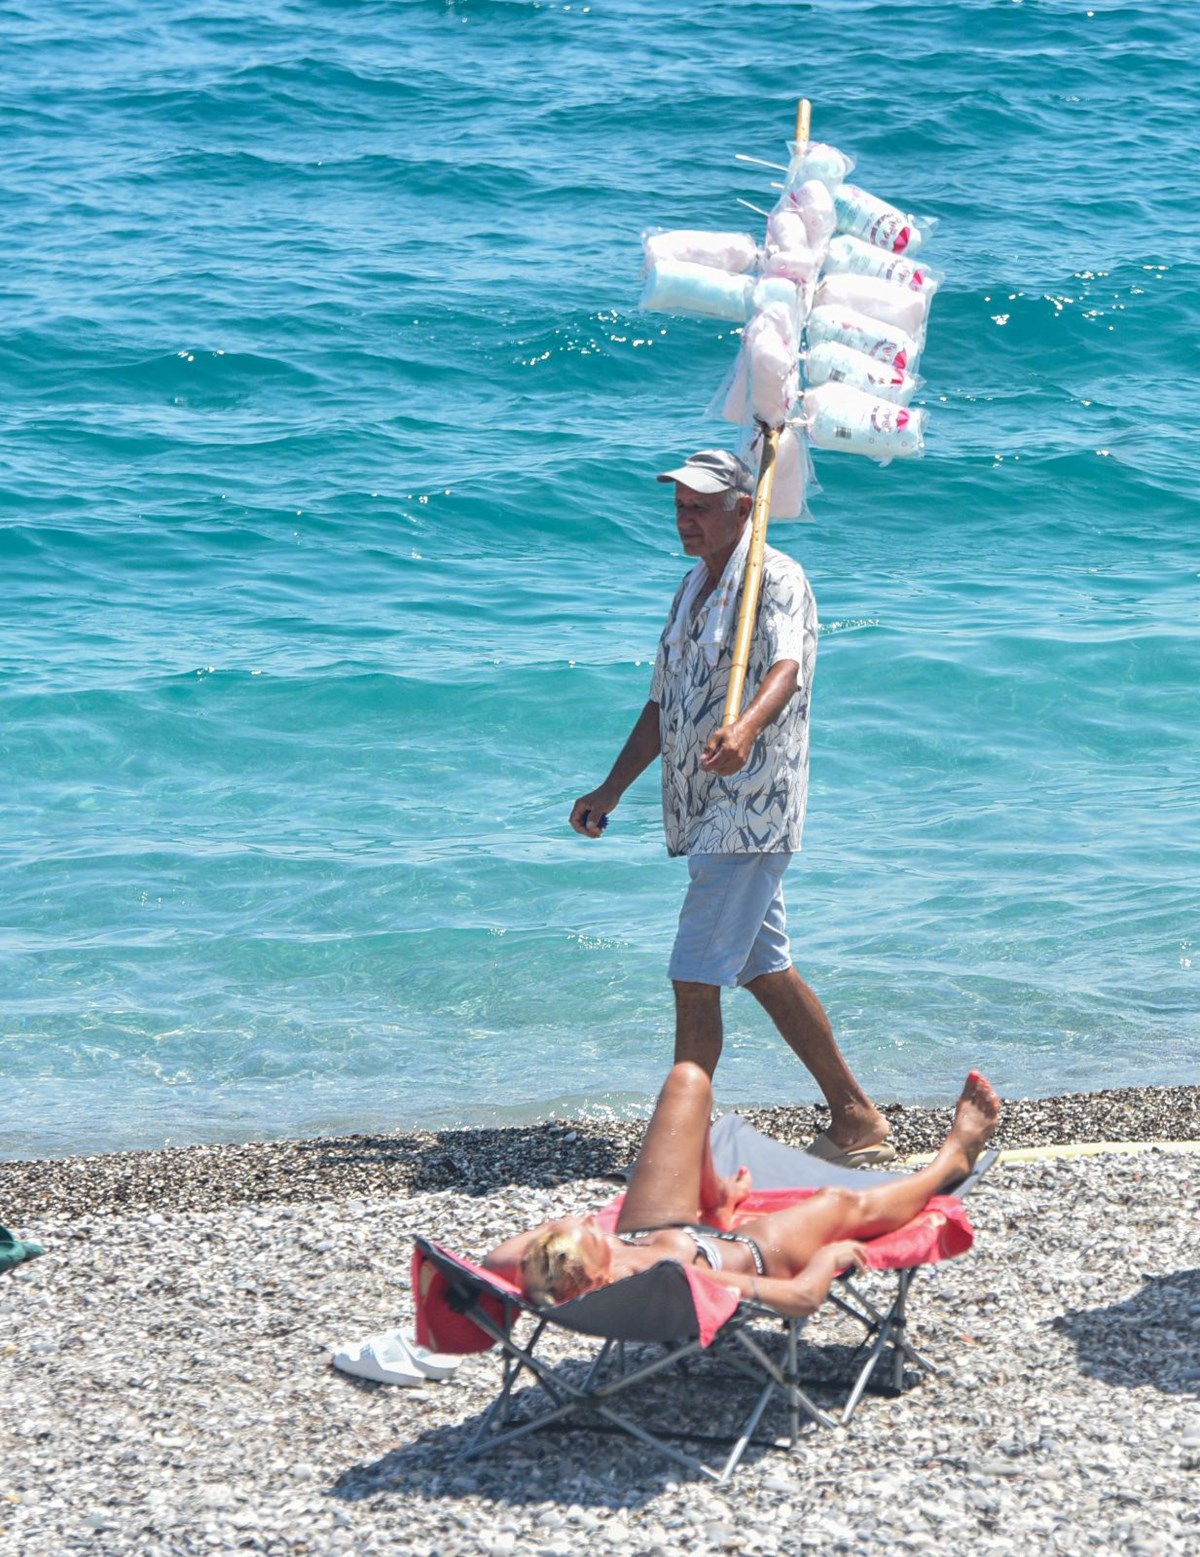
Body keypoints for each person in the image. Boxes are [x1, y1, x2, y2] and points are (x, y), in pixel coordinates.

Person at [569, 449, 891, 1165]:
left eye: (701, 507)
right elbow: (664, 703)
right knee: (762, 967)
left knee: (694, 972)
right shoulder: (691, 589)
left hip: (753, 804)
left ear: (746, 508)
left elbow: (786, 667)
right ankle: (856, 1117)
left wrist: (744, 729)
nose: (686, 520)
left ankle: (680, 1148)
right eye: (680, 507)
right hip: (700, 803)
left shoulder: (776, 578)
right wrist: (611, 787)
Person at [483, 1063, 1000, 1317]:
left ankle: (714, 1200)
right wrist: (831, 1257)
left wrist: (553, 1248)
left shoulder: (582, 1272)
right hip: (756, 1253)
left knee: (688, 1081)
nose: (587, 1220)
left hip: (668, 1232)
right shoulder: (676, 1280)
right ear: (599, 1273)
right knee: (840, 1203)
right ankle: (951, 1160)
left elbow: (493, 1260)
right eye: (590, 1232)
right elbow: (799, 1298)